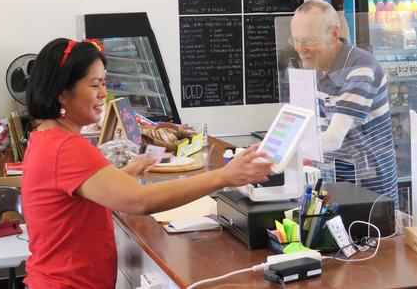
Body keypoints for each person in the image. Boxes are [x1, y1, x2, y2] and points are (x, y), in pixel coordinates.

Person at [21, 38, 273, 288]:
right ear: (63, 93)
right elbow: (139, 201)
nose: (102, 95)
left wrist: (121, 175)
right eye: (95, 85)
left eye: (104, 84)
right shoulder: (67, 147)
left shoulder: (46, 136)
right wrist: (224, 176)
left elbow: (78, 201)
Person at [289, 0, 398, 209]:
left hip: (369, 187)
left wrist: (284, 153)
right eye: (296, 40)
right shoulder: (315, 66)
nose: (301, 49)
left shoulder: (362, 68)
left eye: (309, 41)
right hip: (334, 179)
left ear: (333, 33)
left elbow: (333, 138)